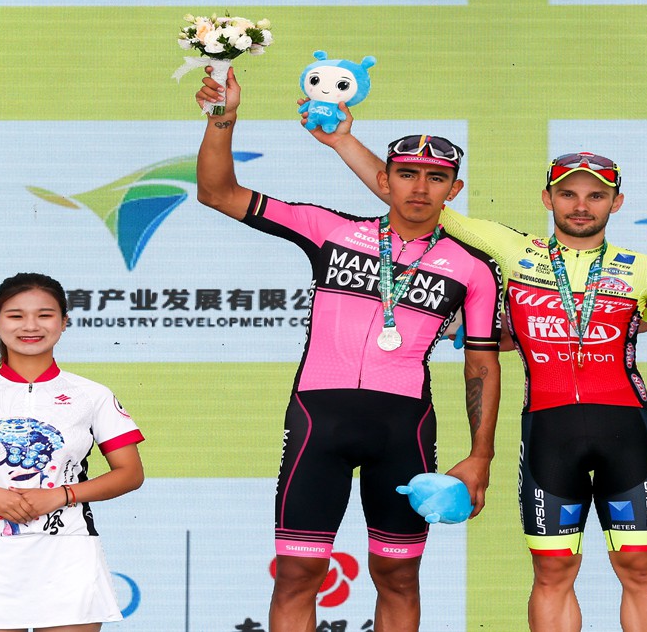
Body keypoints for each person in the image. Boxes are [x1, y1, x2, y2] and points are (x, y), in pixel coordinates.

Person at [309, 110, 647, 631]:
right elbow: (416, 200)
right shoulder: (512, 249)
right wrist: (343, 141)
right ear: (548, 198)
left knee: (640, 569)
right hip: (549, 432)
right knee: (552, 572)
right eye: (568, 194)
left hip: (626, 431)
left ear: (616, 202)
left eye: (596, 196)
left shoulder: (646, 271)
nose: (581, 205)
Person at [195, 69, 504, 632]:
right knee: (296, 575)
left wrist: (480, 455)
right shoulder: (330, 230)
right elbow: (218, 193)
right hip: (319, 420)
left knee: (399, 578)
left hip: (403, 429)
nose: (419, 188)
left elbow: (481, 364)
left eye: (436, 178)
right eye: (406, 174)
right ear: (384, 180)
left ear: (454, 189)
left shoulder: (473, 268)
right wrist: (223, 118)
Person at [0, 272, 146, 631]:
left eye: (45, 315)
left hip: (69, 552)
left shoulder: (92, 395)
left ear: (64, 322)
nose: (31, 326)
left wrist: (63, 495)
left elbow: (130, 472)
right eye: (16, 315)